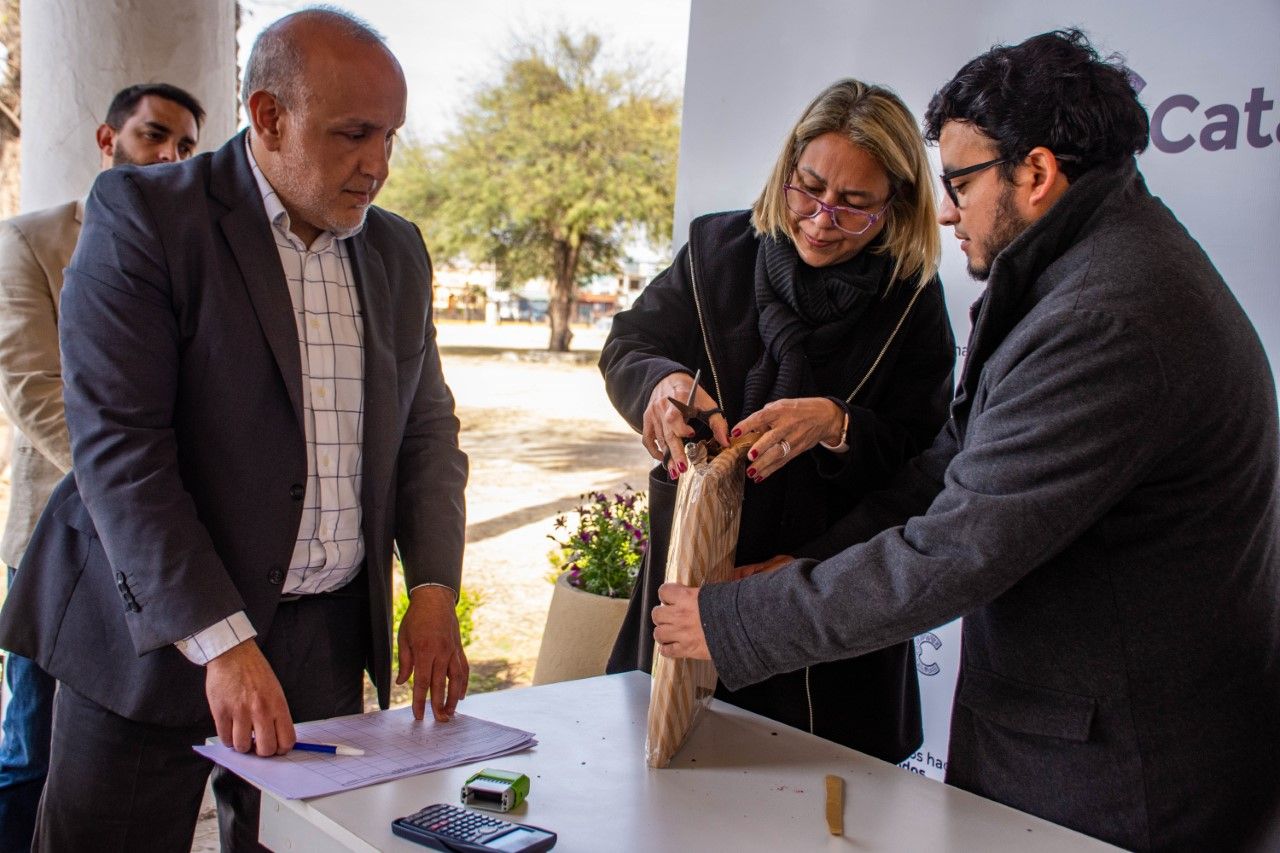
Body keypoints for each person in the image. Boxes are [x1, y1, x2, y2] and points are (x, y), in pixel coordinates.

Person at [652, 29, 1280, 851]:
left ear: (1037, 173)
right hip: (1097, 755)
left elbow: (958, 547)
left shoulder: (1106, 316)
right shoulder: (1084, 273)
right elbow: (950, 466)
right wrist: (802, 569)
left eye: (958, 182)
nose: (945, 209)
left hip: (1125, 782)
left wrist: (738, 619)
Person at [0, 9, 470, 852]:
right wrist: (222, 639)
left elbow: (426, 432)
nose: (378, 165)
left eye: (391, 136)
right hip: (155, 638)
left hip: (323, 640)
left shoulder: (399, 251)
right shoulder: (145, 215)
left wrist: (432, 589)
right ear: (267, 116)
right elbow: (122, 449)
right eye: (354, 133)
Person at [601, 79, 955, 763]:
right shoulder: (716, 250)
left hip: (827, 622)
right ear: (785, 169)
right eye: (809, 188)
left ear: (896, 206)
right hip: (693, 586)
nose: (822, 220)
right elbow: (627, 345)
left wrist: (839, 424)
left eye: (854, 206)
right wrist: (660, 383)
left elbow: (927, 465)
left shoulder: (912, 301)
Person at [0, 80, 204, 852]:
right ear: (106, 138)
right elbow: (31, 389)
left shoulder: (190, 248)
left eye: (185, 146)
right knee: (33, 747)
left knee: (122, 764)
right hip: (63, 540)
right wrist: (129, 485)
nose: (168, 156)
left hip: (160, 556)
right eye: (154, 135)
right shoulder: (30, 242)